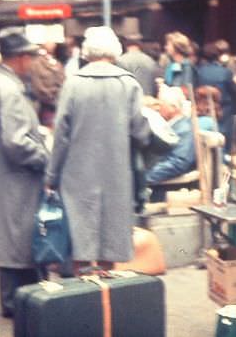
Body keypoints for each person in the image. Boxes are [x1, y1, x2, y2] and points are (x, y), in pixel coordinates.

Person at [45, 26, 150, 273]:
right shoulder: (128, 84)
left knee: (80, 236)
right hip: (116, 173)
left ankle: (81, 294)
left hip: (77, 172)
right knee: (110, 237)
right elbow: (140, 131)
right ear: (115, 50)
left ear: (86, 51)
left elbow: (61, 134)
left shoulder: (73, 84)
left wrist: (51, 175)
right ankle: (105, 293)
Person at [0, 32, 49, 318]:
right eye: (29, 57)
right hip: (18, 175)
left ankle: (10, 300)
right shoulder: (10, 89)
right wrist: (45, 157)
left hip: (1, 173)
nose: (31, 63)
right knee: (20, 238)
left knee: (8, 236)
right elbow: (16, 142)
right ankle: (20, 302)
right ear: (19, 58)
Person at [144, 86, 196, 185]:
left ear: (173, 108)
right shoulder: (172, 125)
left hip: (166, 186)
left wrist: (144, 177)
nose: (158, 107)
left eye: (162, 104)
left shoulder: (185, 129)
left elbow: (178, 163)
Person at [197, 42, 236, 149]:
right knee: (224, 141)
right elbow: (234, 93)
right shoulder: (226, 72)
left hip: (204, 111)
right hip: (224, 111)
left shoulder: (199, 72)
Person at [29, 41, 65, 129]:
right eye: (50, 43)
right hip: (44, 104)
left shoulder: (56, 62)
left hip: (58, 103)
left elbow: (63, 80)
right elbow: (36, 84)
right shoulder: (36, 63)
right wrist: (50, 96)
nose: (53, 46)